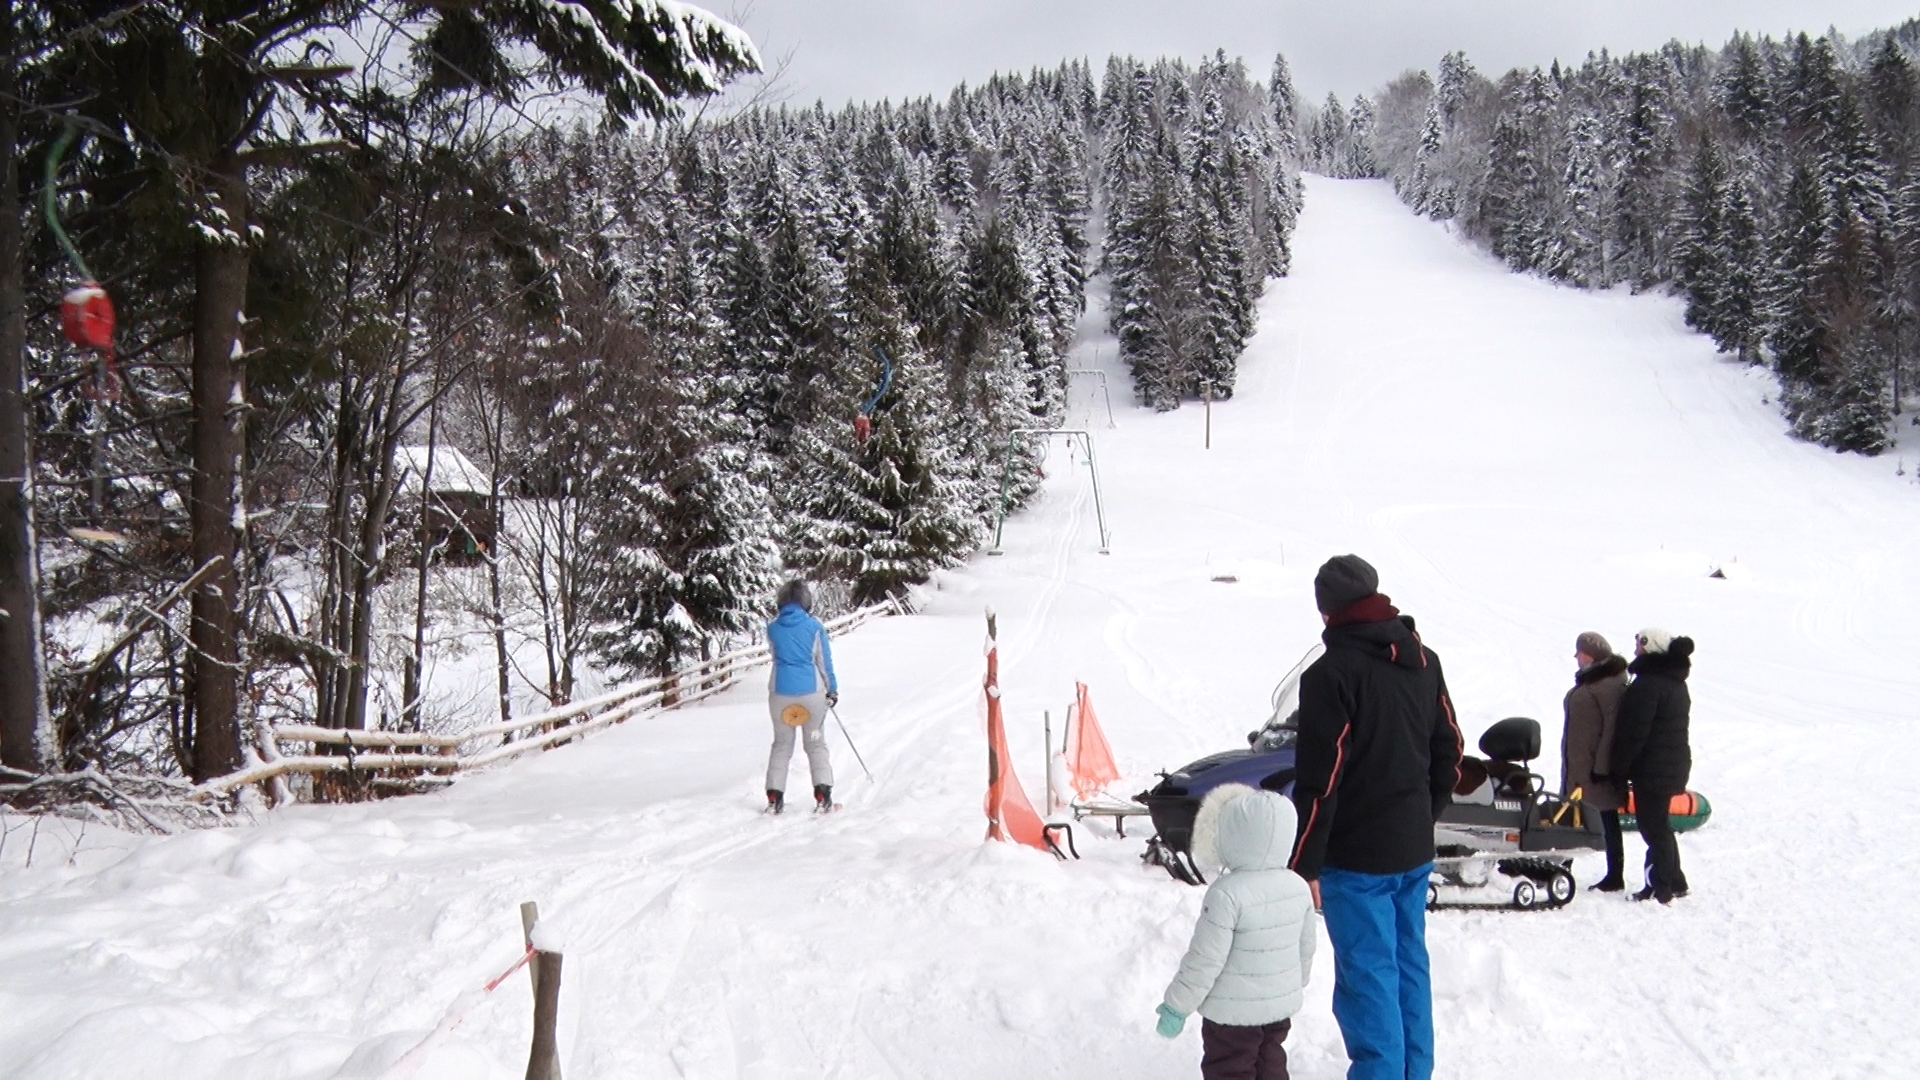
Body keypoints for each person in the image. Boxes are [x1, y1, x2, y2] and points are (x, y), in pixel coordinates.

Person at [1289, 555, 1462, 1080]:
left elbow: (1323, 776)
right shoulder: (1423, 659)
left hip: (1355, 859)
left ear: (1327, 613)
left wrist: (1304, 864)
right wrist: (1422, 815)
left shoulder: (1331, 674)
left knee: (1369, 978)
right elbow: (1450, 750)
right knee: (1409, 967)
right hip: (1410, 849)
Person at [1156, 784, 1317, 1080]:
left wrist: (1176, 1007)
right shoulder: (1297, 886)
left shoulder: (1226, 895)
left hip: (1231, 1016)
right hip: (1278, 1008)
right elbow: (1306, 947)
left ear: (1232, 835)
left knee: (1230, 1069)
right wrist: (1292, 984)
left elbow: (1204, 960)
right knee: (1270, 1063)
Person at [1609, 627, 1695, 903]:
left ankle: (1661, 886)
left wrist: (1619, 767)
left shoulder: (1648, 684)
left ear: (1650, 647)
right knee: (1660, 825)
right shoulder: (1675, 682)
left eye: (1639, 645)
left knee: (1653, 829)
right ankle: (1676, 881)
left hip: (1653, 768)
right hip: (1672, 764)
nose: (1635, 650)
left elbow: (1634, 732)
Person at [1560, 631, 1629, 891]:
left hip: (1594, 768)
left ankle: (1615, 875)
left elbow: (1611, 730)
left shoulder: (1607, 685)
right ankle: (1561, 866)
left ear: (1589, 654)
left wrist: (1602, 768)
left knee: (1605, 817)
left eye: (1579, 652)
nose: (1576, 657)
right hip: (1579, 764)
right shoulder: (1594, 681)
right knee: (1571, 815)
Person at [765, 579, 838, 813]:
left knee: (782, 745)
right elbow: (824, 662)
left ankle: (775, 796)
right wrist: (832, 689)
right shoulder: (814, 627)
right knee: (815, 743)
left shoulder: (772, 628)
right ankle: (822, 793)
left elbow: (775, 655)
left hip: (780, 695)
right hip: (811, 696)